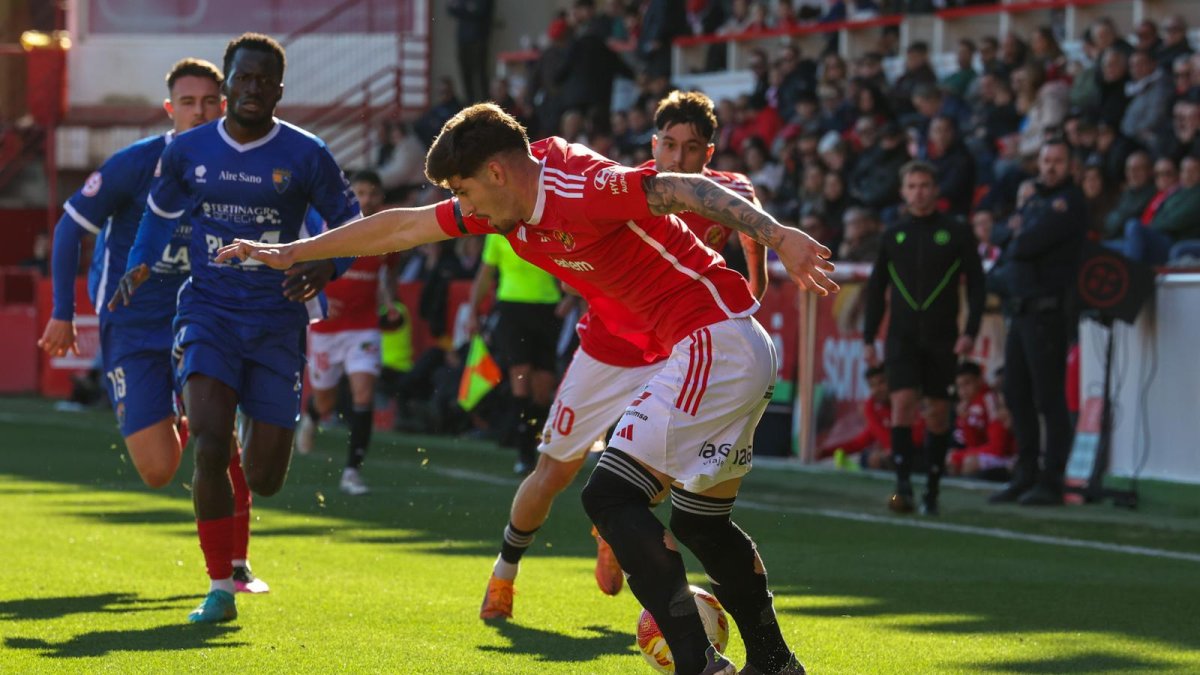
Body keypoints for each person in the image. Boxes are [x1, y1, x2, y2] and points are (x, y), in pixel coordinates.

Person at [216, 101, 835, 675]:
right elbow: (402, 228)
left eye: (463, 191)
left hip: (712, 342)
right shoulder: (507, 199)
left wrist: (779, 235)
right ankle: (775, 664)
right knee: (702, 525)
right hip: (726, 350)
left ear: (496, 172)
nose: (464, 207)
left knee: (610, 497)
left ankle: (701, 665)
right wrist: (296, 250)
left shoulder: (578, 186)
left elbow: (679, 188)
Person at [476, 90, 769, 623]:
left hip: (677, 353)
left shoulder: (728, 193)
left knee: (665, 475)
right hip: (607, 350)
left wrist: (755, 287)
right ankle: (504, 571)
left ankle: (623, 540)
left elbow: (753, 235)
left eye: (692, 148)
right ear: (653, 145)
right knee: (553, 471)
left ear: (709, 152)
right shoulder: (628, 188)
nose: (678, 158)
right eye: (669, 145)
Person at [109, 34, 361, 623]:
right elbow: (158, 215)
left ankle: (254, 433)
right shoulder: (187, 150)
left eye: (263, 81)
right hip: (209, 314)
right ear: (227, 86)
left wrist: (329, 265)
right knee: (210, 442)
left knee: (266, 478)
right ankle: (220, 587)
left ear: (279, 89)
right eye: (242, 78)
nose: (252, 89)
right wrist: (140, 263)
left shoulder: (306, 153)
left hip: (276, 322)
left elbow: (351, 222)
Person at [38, 57, 270, 595]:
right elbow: (70, 227)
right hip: (134, 327)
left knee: (221, 441)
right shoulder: (137, 163)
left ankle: (235, 567)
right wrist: (62, 311)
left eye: (209, 102)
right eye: (188, 102)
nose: (199, 112)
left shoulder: (241, 168)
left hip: (204, 320)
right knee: (158, 469)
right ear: (170, 109)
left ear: (225, 105)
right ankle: (183, 417)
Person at [863, 161, 985, 516]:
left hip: (942, 337)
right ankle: (903, 486)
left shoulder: (957, 232)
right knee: (902, 403)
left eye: (925, 185)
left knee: (938, 412)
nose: (919, 192)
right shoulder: (893, 235)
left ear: (936, 190)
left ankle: (932, 487)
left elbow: (977, 286)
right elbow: (876, 289)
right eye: (912, 186)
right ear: (904, 192)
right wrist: (869, 336)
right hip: (901, 336)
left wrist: (970, 331)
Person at [989, 139, 1088, 507]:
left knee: (1048, 396)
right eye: (1046, 160)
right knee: (1016, 391)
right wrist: (1015, 231)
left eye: (1058, 160)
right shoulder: (1034, 200)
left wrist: (1017, 232)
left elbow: (1025, 243)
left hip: (1047, 312)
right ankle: (1025, 472)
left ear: (1070, 165)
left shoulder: (1069, 202)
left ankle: (1052, 478)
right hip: (1022, 310)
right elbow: (999, 234)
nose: (1051, 167)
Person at [296, 170, 396, 495]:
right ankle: (312, 416)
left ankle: (352, 471)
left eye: (373, 193)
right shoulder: (329, 226)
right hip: (327, 329)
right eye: (361, 192)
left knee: (363, 394)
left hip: (364, 327)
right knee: (325, 399)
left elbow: (386, 276)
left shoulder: (388, 233)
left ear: (381, 198)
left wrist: (389, 303)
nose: (367, 199)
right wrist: (320, 298)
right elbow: (303, 264)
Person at [468, 232, 563, 475]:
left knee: (543, 388)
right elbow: (485, 274)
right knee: (520, 376)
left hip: (547, 309)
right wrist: (472, 311)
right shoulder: (497, 235)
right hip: (511, 309)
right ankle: (524, 453)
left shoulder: (546, 228)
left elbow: (569, 267)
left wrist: (571, 300)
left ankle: (536, 442)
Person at [817, 365, 925, 470]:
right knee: (870, 457)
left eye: (881, 382)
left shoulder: (911, 404)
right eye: (872, 386)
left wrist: (868, 412)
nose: (877, 389)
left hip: (920, 456)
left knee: (879, 458)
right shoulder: (880, 413)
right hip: (900, 458)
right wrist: (824, 452)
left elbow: (912, 442)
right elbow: (858, 443)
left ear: (894, 382)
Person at [947, 361, 1014, 481]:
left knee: (969, 462)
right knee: (952, 460)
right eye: (959, 386)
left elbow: (998, 447)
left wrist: (961, 455)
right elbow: (974, 444)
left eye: (967, 383)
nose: (963, 390)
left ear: (979, 380)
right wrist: (965, 421)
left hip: (1009, 456)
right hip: (992, 453)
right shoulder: (967, 405)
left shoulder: (990, 400)